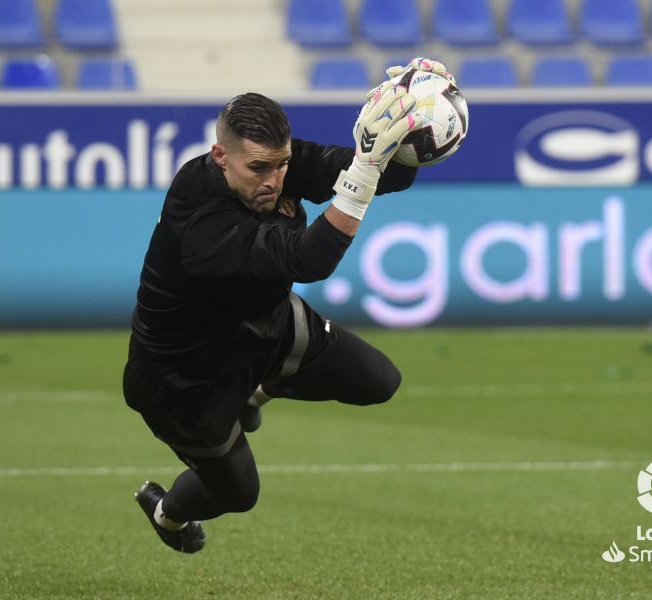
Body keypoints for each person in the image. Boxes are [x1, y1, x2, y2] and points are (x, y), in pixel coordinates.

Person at [123, 59, 455, 553]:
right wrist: (364, 168)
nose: (274, 179)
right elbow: (308, 259)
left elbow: (388, 178)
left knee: (379, 381)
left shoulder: (276, 160)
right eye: (258, 167)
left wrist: (403, 124)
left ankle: (259, 389)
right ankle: (167, 512)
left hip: (265, 326)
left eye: (280, 164)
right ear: (220, 156)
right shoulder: (200, 222)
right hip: (185, 379)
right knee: (238, 493)